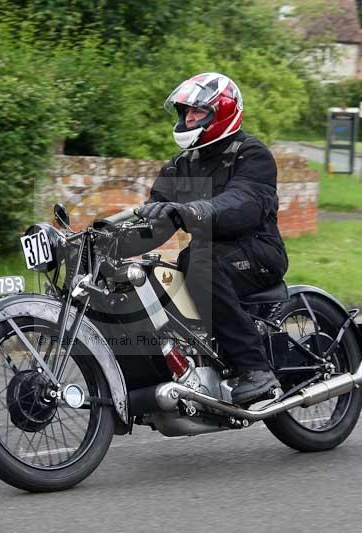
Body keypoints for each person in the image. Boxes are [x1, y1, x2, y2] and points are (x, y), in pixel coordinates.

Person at [120, 72, 288, 405]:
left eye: (197, 112)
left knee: (200, 260)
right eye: (185, 113)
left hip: (258, 252)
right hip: (208, 254)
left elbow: (242, 203)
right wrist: (103, 242)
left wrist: (189, 211)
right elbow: (154, 220)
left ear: (221, 111)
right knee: (155, 276)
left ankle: (256, 369)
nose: (189, 119)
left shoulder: (250, 153)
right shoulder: (180, 165)